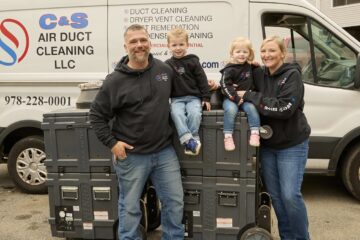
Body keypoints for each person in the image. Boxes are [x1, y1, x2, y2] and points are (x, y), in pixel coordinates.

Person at [89, 24, 184, 240]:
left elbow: (184, 93)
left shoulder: (164, 70)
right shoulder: (114, 81)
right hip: (131, 156)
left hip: (164, 152)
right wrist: (113, 143)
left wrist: (209, 91)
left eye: (143, 40)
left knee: (175, 203)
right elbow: (96, 115)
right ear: (125, 46)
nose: (139, 45)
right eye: (133, 42)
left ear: (150, 42)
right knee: (130, 208)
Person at [240, 36, 311, 240]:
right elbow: (234, 76)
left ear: (282, 54)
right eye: (264, 51)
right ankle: (287, 237)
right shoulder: (258, 73)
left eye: (272, 51)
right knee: (277, 199)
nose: (267, 55)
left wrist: (252, 96)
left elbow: (284, 108)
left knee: (290, 196)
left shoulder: (291, 76)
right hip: (268, 146)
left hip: (292, 144)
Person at [165, 27, 211, 156]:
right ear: (168, 46)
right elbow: (164, 84)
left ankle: (192, 140)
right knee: (176, 114)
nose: (178, 48)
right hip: (176, 99)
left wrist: (206, 98)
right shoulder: (167, 64)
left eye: (181, 44)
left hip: (193, 97)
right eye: (174, 45)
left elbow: (202, 79)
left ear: (187, 45)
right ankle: (189, 140)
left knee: (195, 114)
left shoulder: (193, 61)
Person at [220, 37, 262, 151]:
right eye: (238, 51)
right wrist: (235, 98)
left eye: (245, 52)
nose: (241, 54)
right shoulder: (229, 69)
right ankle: (228, 136)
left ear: (249, 53)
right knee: (231, 110)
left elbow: (253, 67)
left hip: (246, 99)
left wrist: (255, 64)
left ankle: (255, 133)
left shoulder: (249, 66)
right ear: (232, 53)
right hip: (231, 98)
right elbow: (225, 85)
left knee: (252, 108)